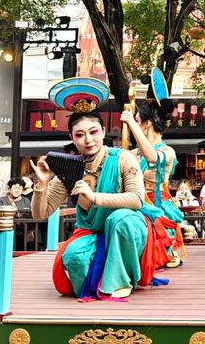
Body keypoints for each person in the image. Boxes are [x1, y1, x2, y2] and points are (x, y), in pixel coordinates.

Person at [30, 77, 169, 301]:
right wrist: (42, 185)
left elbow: (136, 199)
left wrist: (94, 197)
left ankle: (122, 280)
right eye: (79, 135)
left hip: (128, 228)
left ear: (103, 131)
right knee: (73, 257)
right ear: (71, 138)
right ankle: (100, 279)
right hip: (92, 232)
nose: (88, 140)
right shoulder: (70, 168)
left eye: (93, 132)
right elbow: (40, 214)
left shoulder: (122, 158)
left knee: (120, 220)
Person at [122, 101, 186, 268]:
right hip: (135, 201)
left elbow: (152, 158)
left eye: (137, 121)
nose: (134, 125)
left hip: (156, 205)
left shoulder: (167, 151)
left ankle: (167, 250)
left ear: (147, 123)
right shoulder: (134, 153)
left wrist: (130, 123)